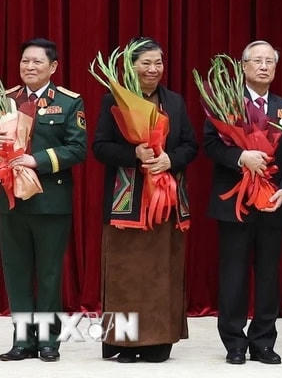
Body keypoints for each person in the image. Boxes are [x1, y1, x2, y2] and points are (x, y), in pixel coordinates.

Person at [0, 38, 87, 362]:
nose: (29, 67)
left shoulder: (69, 102)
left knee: (50, 273)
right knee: (17, 272)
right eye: (25, 61)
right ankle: (23, 341)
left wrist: (36, 160)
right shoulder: (6, 99)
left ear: (53, 67)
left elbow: (78, 149)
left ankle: (49, 341)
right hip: (11, 202)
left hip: (50, 201)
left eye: (37, 62)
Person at [92, 37, 197, 363]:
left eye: (158, 63)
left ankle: (158, 343)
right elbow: (99, 147)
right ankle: (124, 343)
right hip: (128, 202)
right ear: (131, 66)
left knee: (162, 273)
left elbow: (190, 146)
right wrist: (133, 153)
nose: (153, 69)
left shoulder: (175, 102)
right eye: (146, 63)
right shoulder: (114, 100)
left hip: (165, 202)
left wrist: (171, 160)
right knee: (126, 273)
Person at [205, 40, 282, 365]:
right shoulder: (225, 103)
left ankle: (263, 340)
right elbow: (210, 146)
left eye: (269, 62)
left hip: (271, 204)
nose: (263, 66)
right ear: (244, 67)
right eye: (257, 61)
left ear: (275, 69)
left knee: (267, 275)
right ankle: (234, 342)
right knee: (233, 274)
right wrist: (241, 157)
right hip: (234, 203)